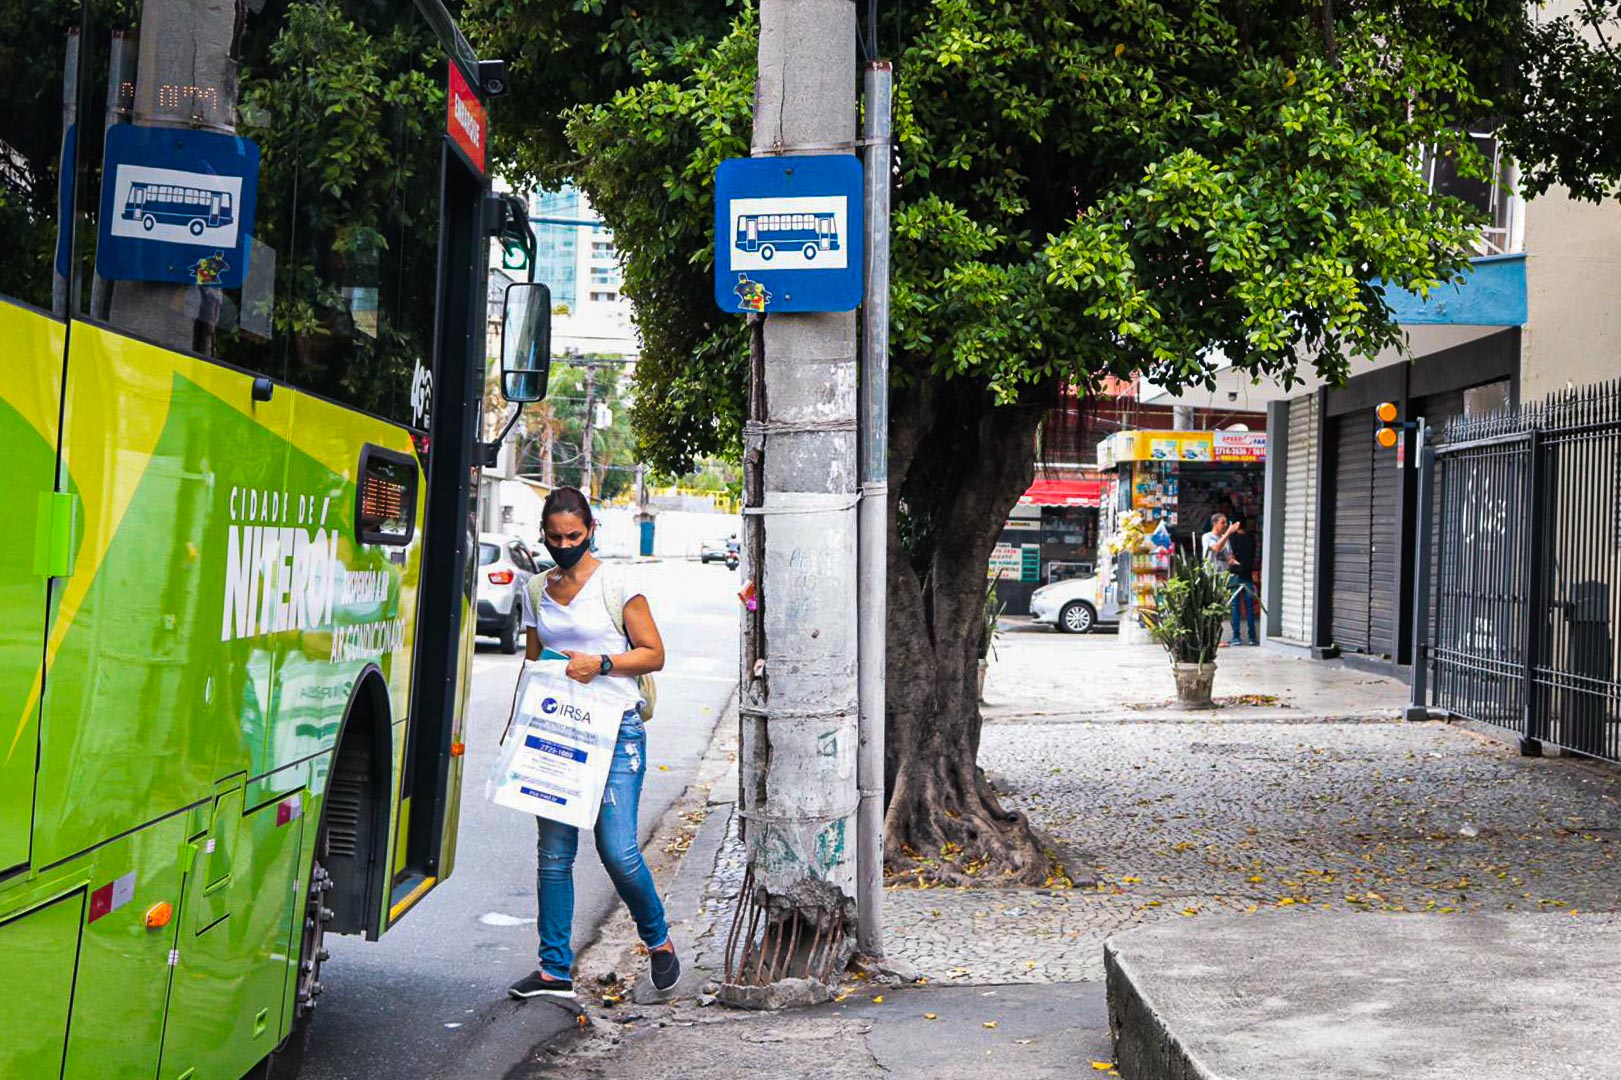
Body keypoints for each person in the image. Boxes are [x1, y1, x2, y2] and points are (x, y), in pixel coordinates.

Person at [507, 487, 679, 1001]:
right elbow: (534, 662)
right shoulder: (536, 589)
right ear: (544, 535)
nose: (565, 546)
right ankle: (554, 969)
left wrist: (601, 664)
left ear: (591, 532)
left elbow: (653, 654)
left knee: (618, 850)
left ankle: (658, 940)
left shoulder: (617, 584)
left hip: (616, 729)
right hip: (556, 730)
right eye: (555, 538)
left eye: (574, 536)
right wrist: (519, 728)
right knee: (554, 854)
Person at [1226, 517, 1260, 646]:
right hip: (1248, 576)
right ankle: (1252, 637)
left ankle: (1236, 637)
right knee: (1249, 606)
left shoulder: (1232, 539)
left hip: (1235, 575)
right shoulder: (1251, 539)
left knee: (1235, 607)